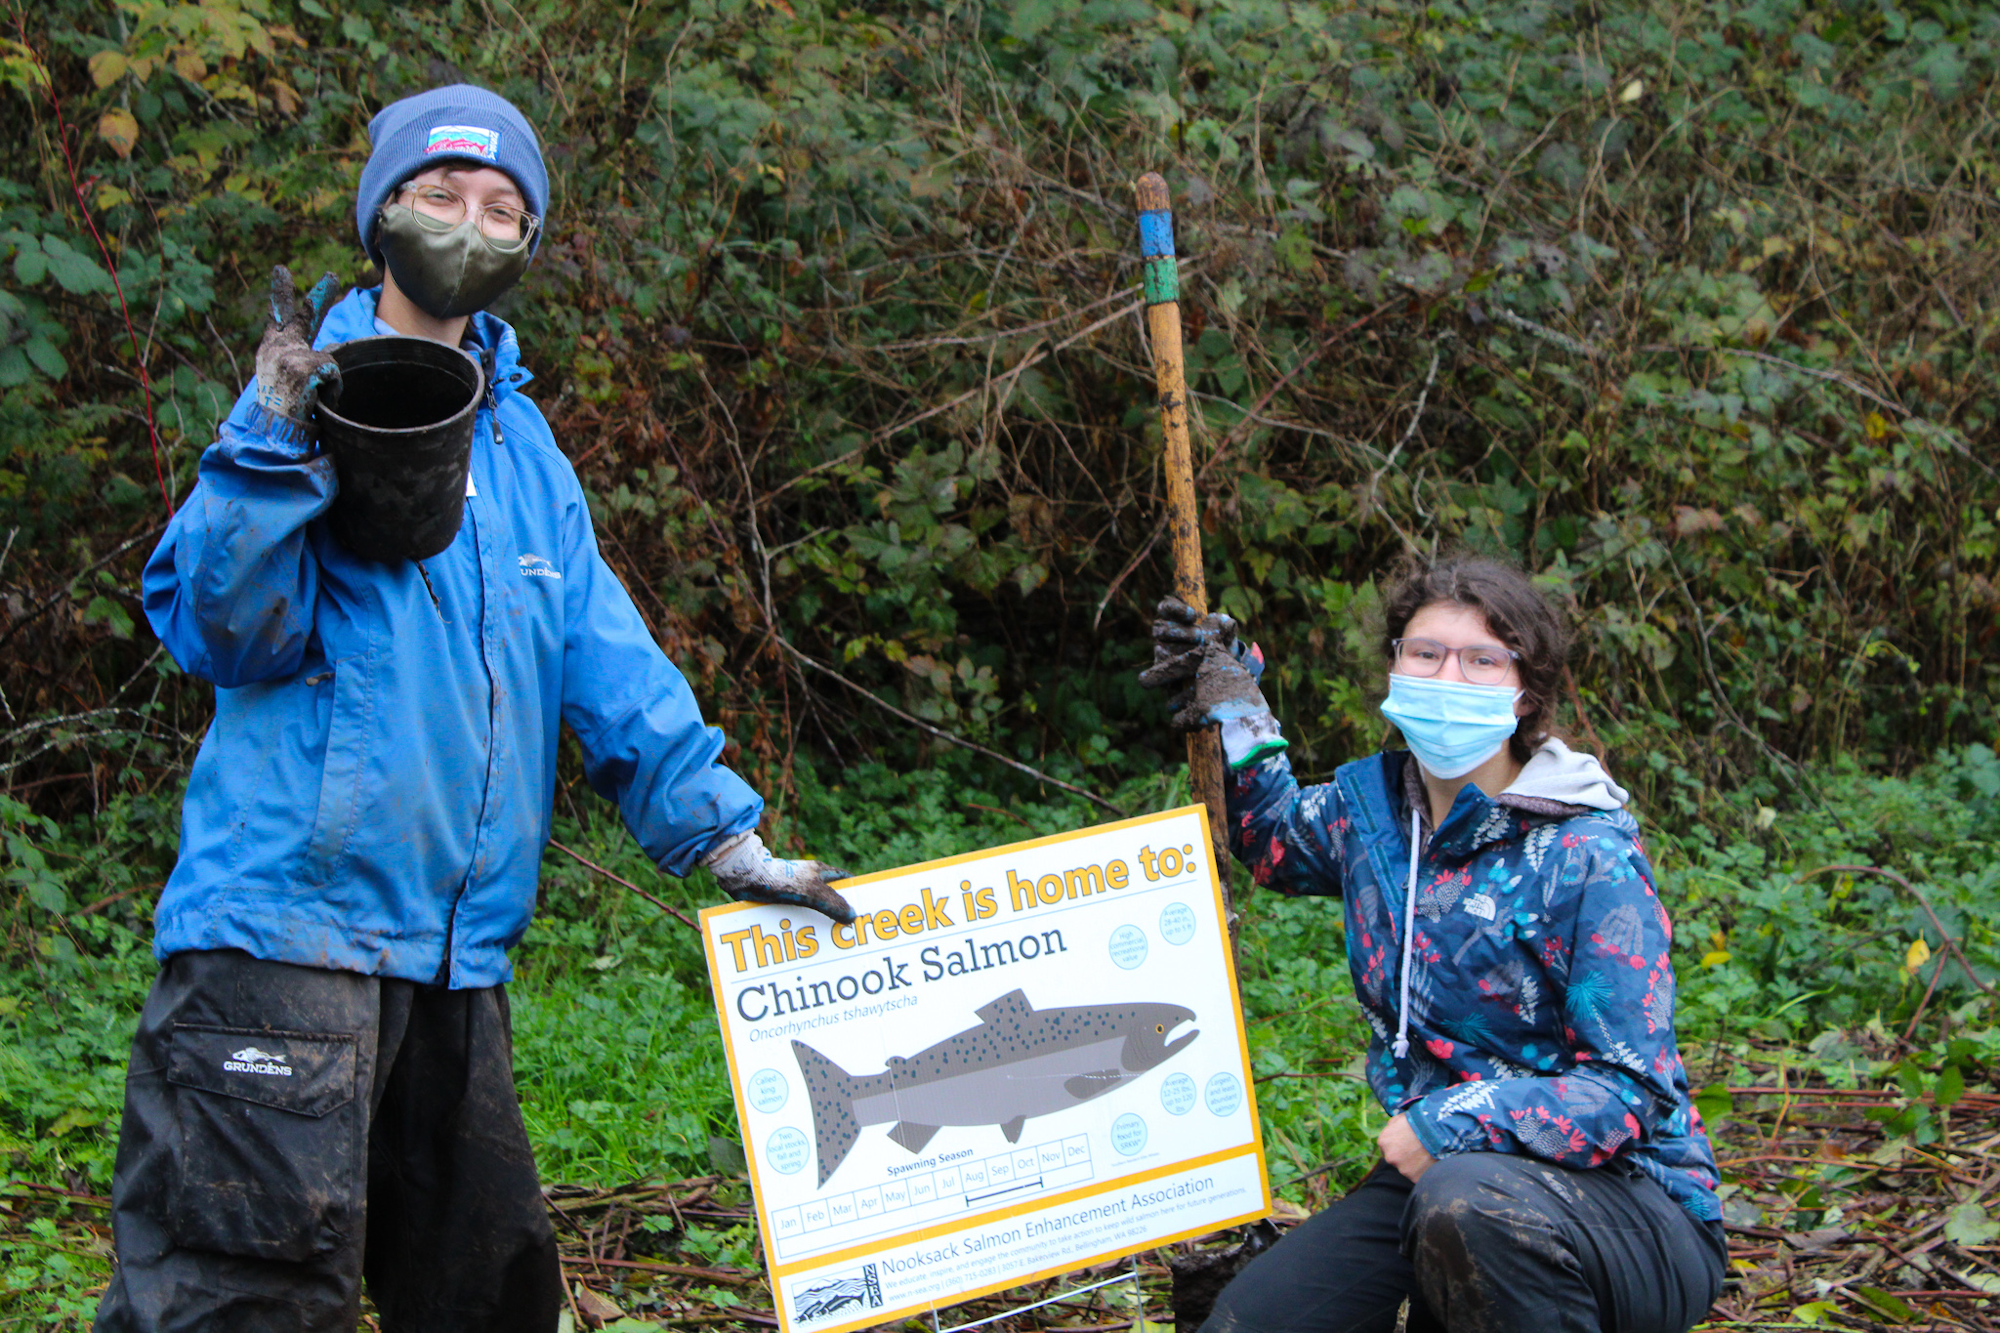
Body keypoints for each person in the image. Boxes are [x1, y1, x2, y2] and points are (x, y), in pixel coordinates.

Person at [96, 84, 854, 1333]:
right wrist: (274, 427)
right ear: (380, 214)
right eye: (440, 195)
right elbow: (217, 626)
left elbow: (604, 659)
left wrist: (723, 836)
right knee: (234, 1302)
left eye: (504, 209)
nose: (469, 224)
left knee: (488, 1294)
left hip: (455, 965)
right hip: (283, 945)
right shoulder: (307, 399)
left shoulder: (523, 447)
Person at [1140, 554, 1725, 1333]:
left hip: (1626, 1203)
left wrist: (1447, 1123)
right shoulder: (1373, 816)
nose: (1449, 675)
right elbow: (1271, 838)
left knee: (1471, 1211)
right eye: (1427, 653)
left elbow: (1629, 1091)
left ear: (1526, 691)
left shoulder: (1589, 852)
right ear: (1395, 667)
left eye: (1483, 658)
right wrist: (1237, 699)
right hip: (1439, 1179)